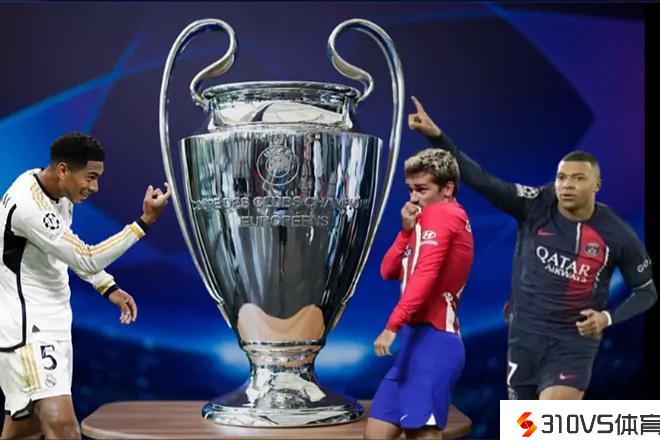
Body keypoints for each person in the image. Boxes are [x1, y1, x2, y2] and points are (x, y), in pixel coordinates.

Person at [408, 96, 657, 401]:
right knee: (525, 425)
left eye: (578, 178)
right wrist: (436, 136)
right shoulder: (535, 204)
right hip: (524, 336)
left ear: (597, 185)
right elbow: (482, 181)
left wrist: (606, 318)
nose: (567, 185)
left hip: (572, 342)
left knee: (549, 418)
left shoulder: (616, 233)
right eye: (562, 177)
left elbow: (646, 291)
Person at [0, 132, 171, 439]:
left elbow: (68, 250)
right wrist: (143, 222)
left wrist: (107, 286)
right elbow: (86, 257)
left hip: (55, 322)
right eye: (90, 177)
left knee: (26, 429)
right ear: (63, 170)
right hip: (27, 330)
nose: (95, 187)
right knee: (63, 426)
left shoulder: (58, 192)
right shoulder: (29, 205)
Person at [365, 148, 474, 440]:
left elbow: (425, 276)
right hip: (412, 345)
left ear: (447, 188)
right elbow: (387, 271)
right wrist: (405, 231)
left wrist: (392, 326)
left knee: (421, 435)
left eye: (422, 189)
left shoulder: (445, 214)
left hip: (435, 344)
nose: (413, 198)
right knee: (375, 434)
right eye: (411, 189)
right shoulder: (426, 220)